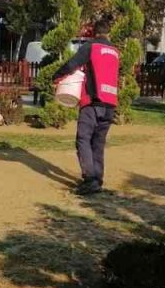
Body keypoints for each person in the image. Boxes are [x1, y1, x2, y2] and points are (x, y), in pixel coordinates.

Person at [51, 17, 120, 195]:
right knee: (98, 143)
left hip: (92, 102)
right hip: (110, 103)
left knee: (83, 139)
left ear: (93, 32)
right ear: (108, 33)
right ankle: (97, 178)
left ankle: (89, 179)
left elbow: (72, 64)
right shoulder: (115, 51)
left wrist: (56, 77)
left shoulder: (91, 47)